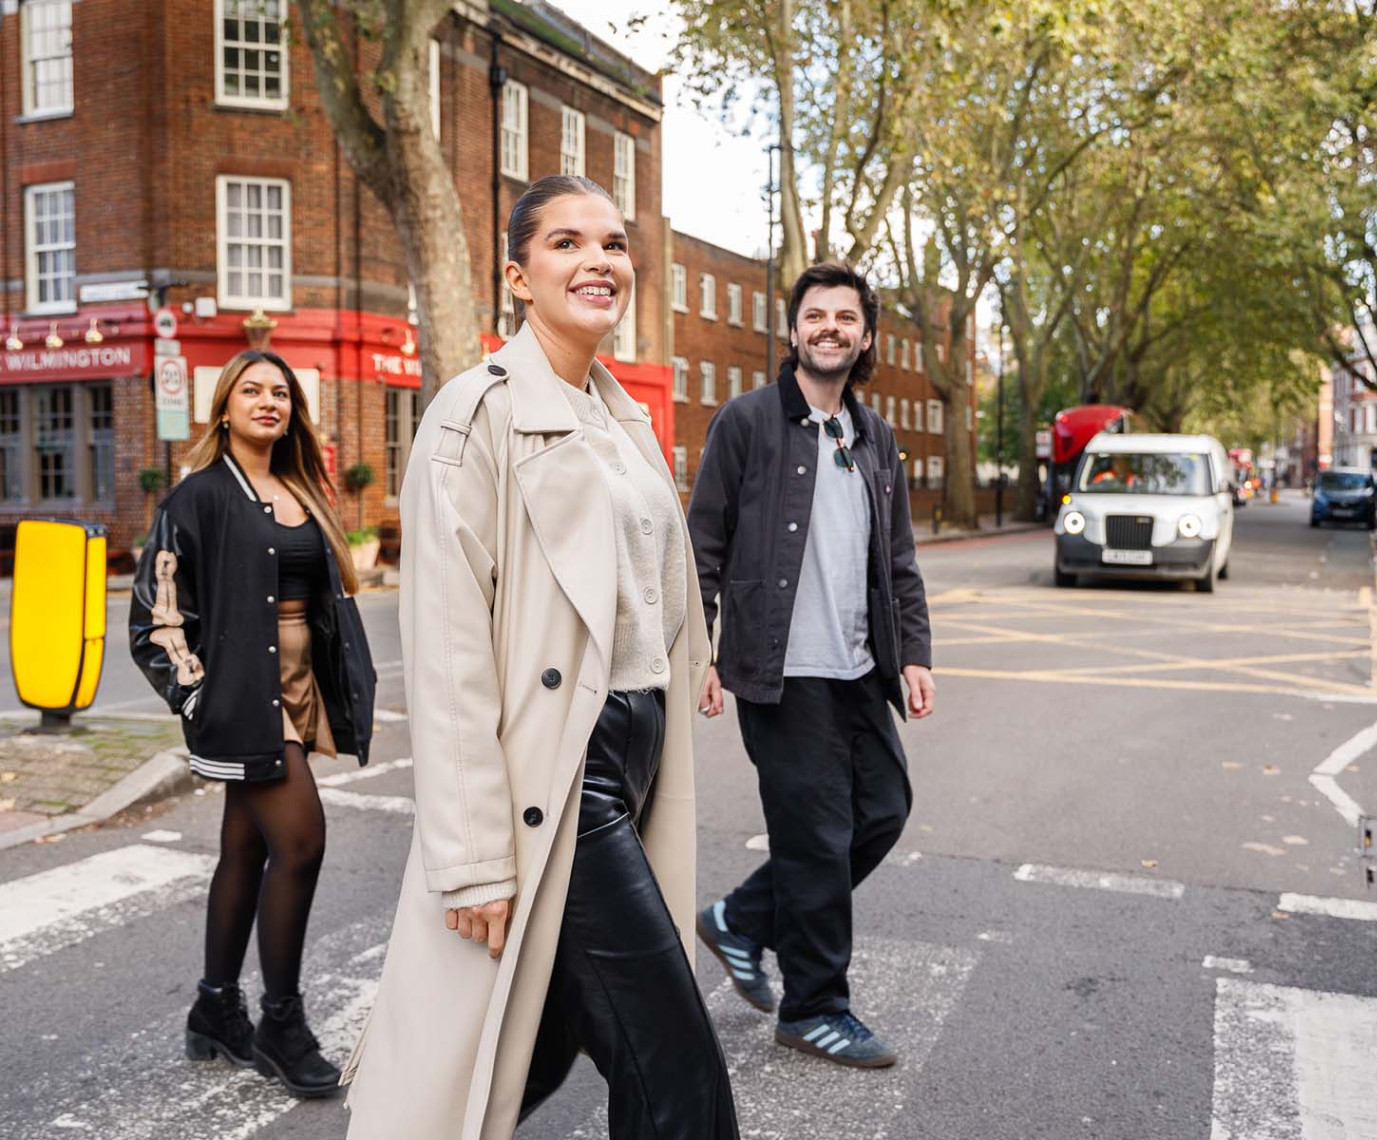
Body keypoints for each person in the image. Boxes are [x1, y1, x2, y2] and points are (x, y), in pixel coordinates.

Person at [343, 175, 738, 1140]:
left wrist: (698, 654)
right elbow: (445, 653)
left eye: (613, 243)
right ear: (518, 277)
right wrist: (474, 858)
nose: (600, 260)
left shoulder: (625, 416)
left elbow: (651, 581)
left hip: (636, 748)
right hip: (562, 773)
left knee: (546, 1036)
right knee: (677, 1067)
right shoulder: (472, 415)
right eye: (568, 243)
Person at [685, 261, 935, 1068]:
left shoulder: (874, 434)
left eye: (846, 318)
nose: (830, 328)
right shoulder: (748, 421)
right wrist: (703, 650)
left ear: (865, 337)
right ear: (793, 331)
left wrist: (915, 655)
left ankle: (743, 919)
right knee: (820, 836)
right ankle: (815, 1005)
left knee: (883, 810)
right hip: (780, 671)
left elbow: (897, 558)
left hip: (860, 668)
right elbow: (704, 543)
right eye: (815, 316)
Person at [130, 349, 377, 1099]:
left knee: (245, 849)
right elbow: (156, 616)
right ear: (225, 407)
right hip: (244, 699)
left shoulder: (301, 487)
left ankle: (214, 1009)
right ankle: (280, 1022)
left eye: (280, 392)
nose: (267, 401)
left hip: (300, 691)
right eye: (252, 390)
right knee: (301, 842)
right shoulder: (197, 496)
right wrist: (199, 697)